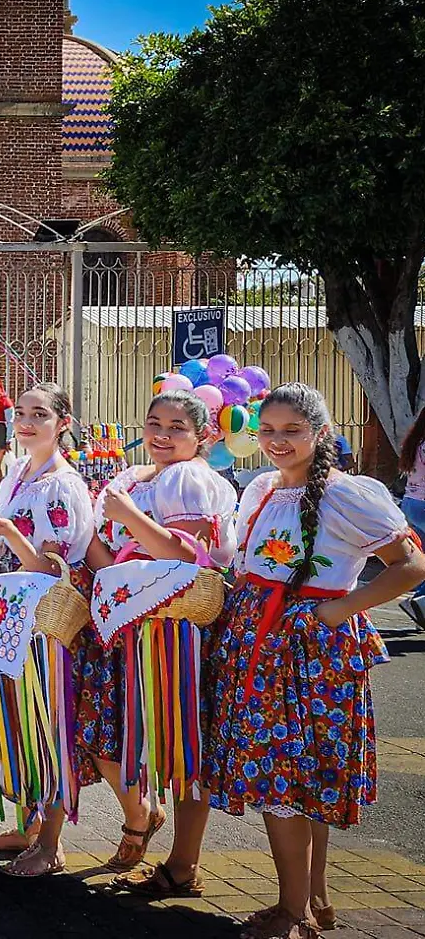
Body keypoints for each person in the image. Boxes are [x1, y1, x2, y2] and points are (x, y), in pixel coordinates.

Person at [203, 384, 425, 939]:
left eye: (291, 431)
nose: (277, 441)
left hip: (310, 648)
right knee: (293, 777)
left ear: (320, 434)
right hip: (259, 640)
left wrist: (340, 610)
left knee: (294, 777)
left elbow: (411, 565)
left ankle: (291, 908)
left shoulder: (349, 495)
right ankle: (313, 899)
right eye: (268, 430)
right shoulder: (258, 488)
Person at [58, 390, 238, 893]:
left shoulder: (190, 478)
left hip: (176, 629)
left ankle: (184, 862)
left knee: (182, 739)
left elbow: (185, 556)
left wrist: (127, 515)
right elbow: (116, 555)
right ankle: (156, 834)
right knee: (132, 730)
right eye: (154, 422)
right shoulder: (141, 477)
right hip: (139, 622)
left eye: (177, 427)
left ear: (204, 436)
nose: (161, 435)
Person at [0, 383, 97, 877]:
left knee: (47, 723)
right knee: (19, 720)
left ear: (62, 422)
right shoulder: (19, 472)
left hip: (43, 620)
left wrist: (10, 536)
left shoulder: (63, 484)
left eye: (38, 414)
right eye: (19, 412)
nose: (24, 422)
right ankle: (29, 824)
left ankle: (50, 842)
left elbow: (52, 567)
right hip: (12, 616)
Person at [397, 403, 425, 630]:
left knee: (422, 558)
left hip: (411, 504)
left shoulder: (415, 444)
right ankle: (419, 603)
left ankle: (420, 610)